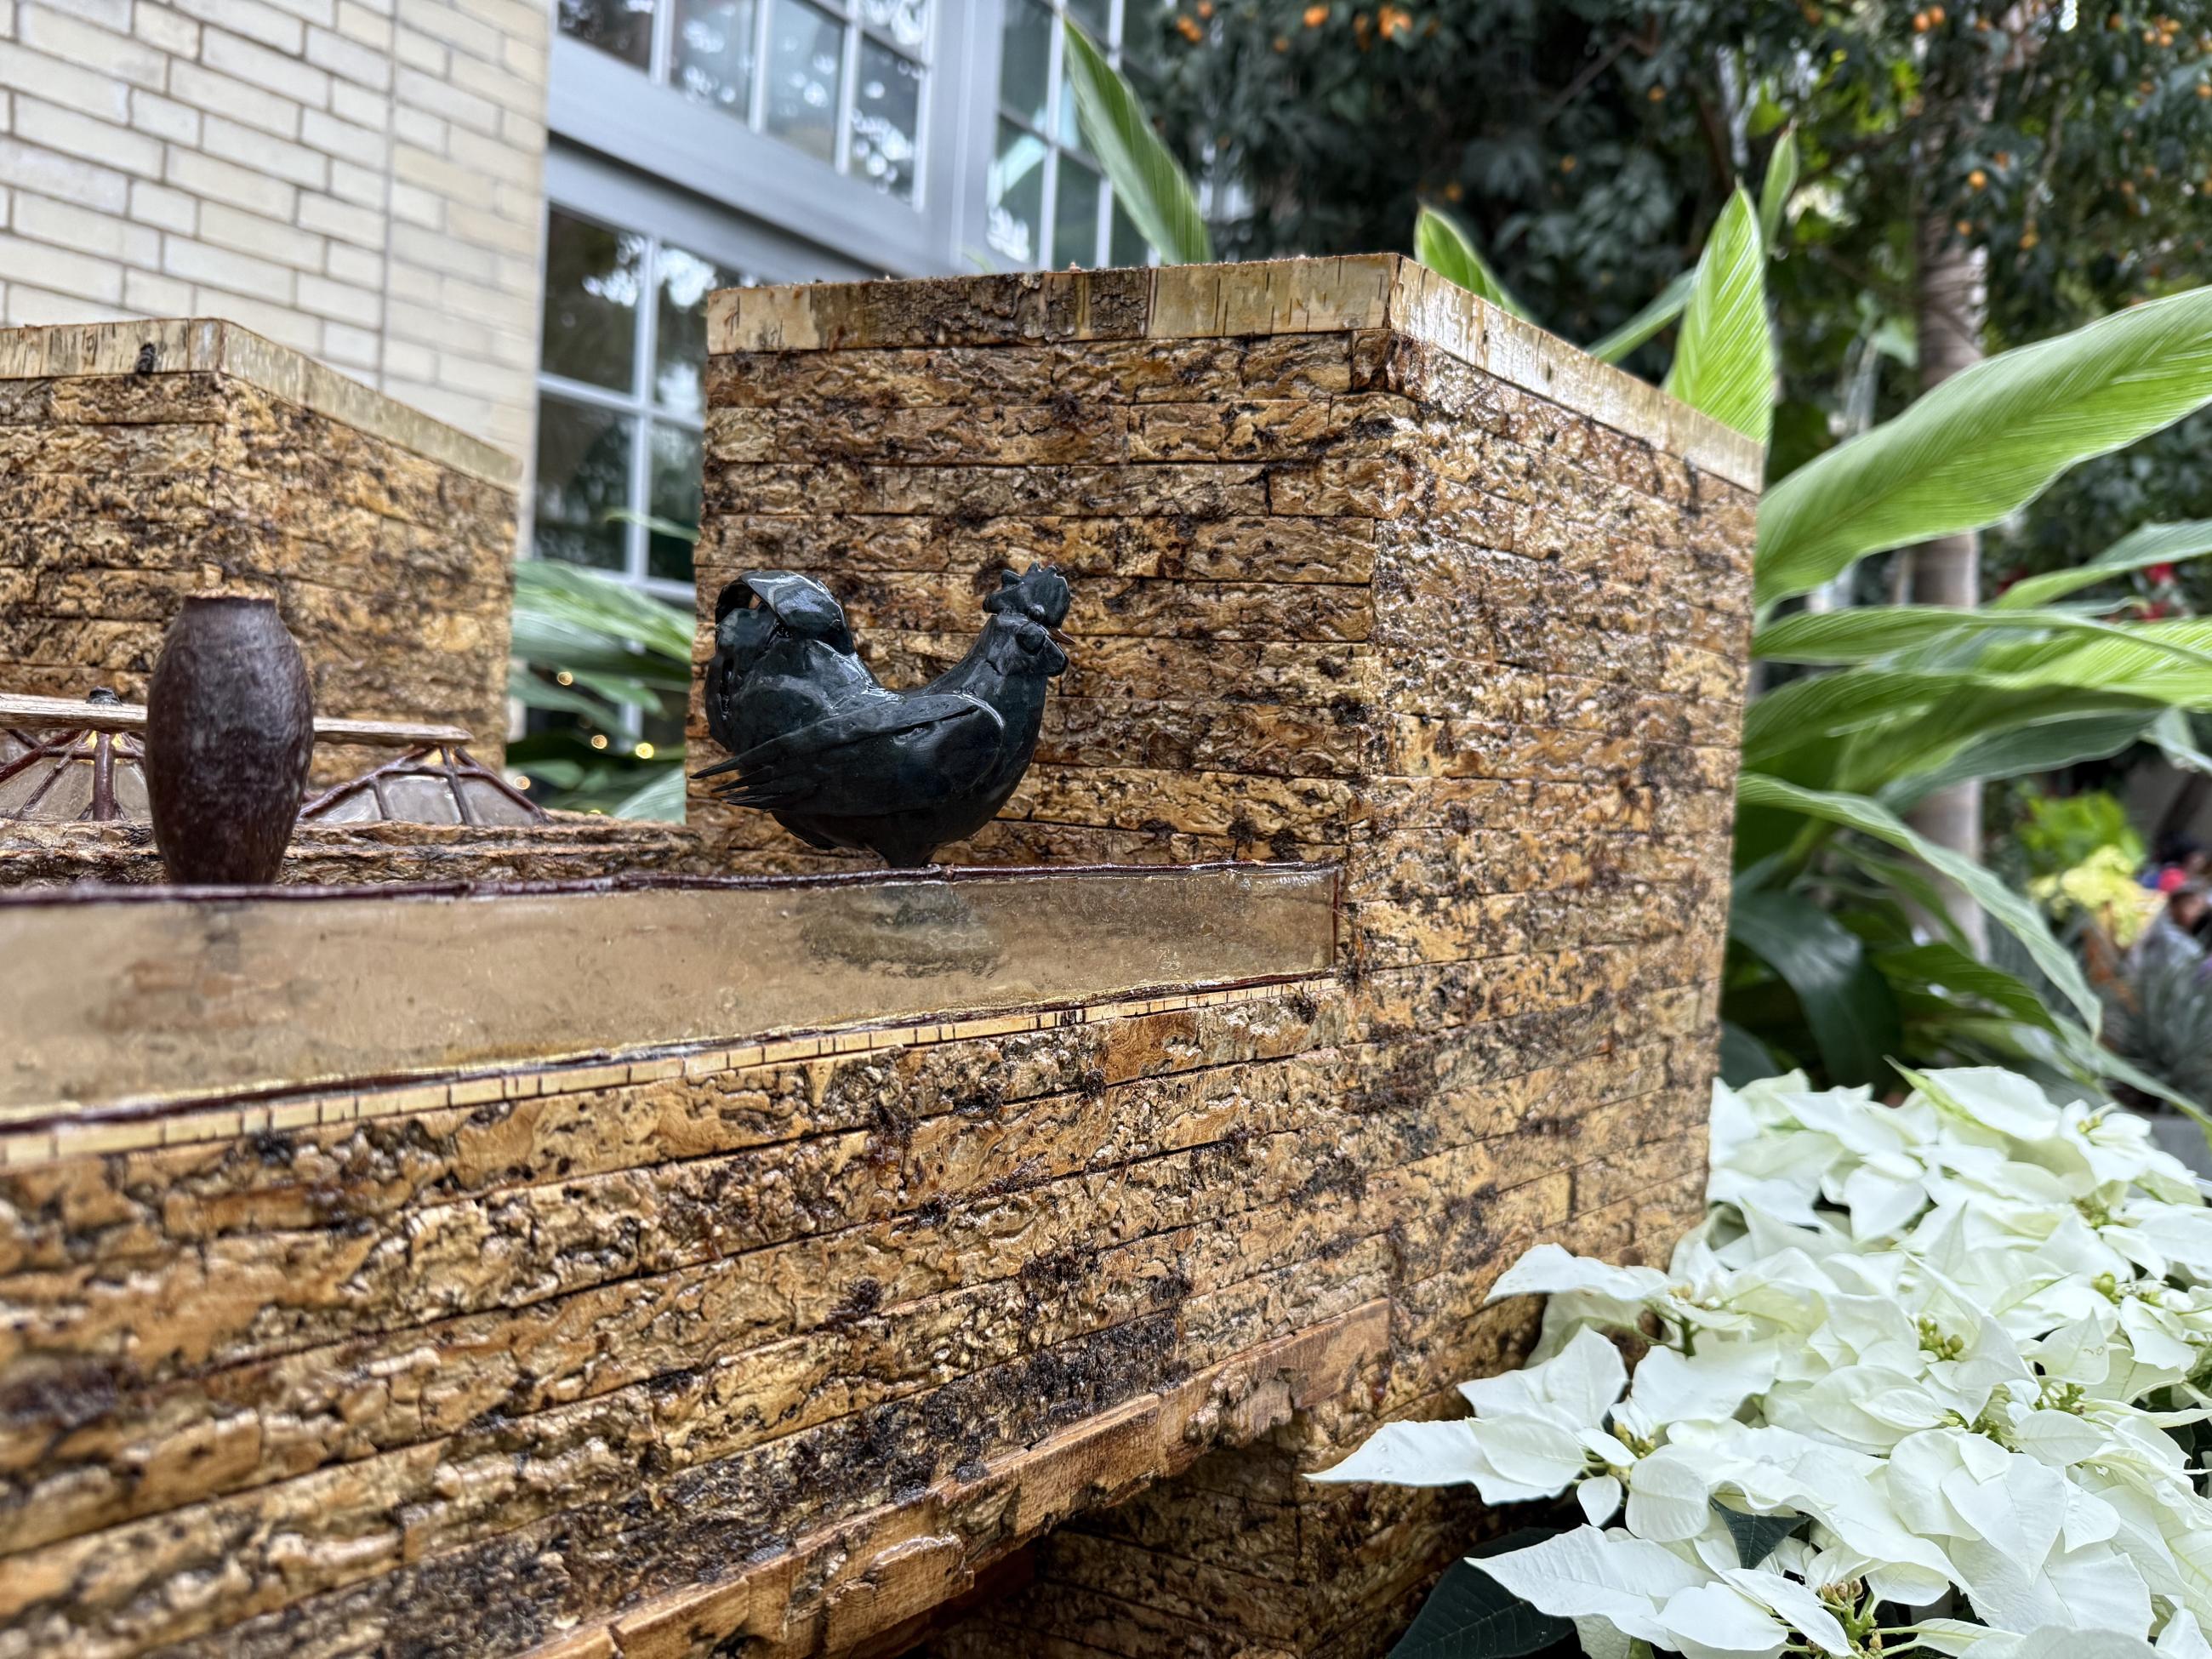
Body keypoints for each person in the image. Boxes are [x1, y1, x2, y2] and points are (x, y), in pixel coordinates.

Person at [2134, 880, 2209, 978]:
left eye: (2200, 910)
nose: (2196, 914)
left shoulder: (2180, 931)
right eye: (2192, 904)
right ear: (2178, 902)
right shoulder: (2161, 921)